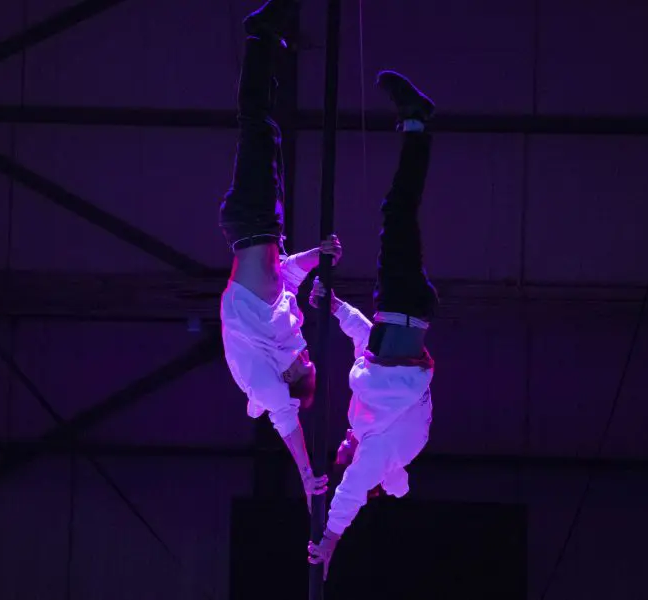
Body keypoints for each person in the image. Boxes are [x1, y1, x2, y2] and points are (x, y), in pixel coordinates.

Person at [306, 69, 439, 578]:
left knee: (398, 214)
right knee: (396, 212)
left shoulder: (377, 423)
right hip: (404, 306)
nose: (340, 450)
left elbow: (368, 343)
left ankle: (416, 128)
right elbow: (348, 495)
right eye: (344, 454)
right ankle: (416, 123)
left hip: (400, 313)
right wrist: (330, 543)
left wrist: (334, 305)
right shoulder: (381, 451)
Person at [219, 0, 336, 511]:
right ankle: (268, 46)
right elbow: (285, 274)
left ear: (296, 373)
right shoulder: (279, 334)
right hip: (268, 227)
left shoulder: (265, 380)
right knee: (270, 134)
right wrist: (319, 253)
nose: (308, 353)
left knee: (256, 125)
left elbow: (286, 426)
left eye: (307, 362)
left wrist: (309, 479)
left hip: (250, 223)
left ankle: (256, 35)